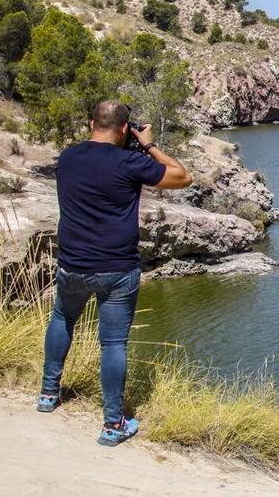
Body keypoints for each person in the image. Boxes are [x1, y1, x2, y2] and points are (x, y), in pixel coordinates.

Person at [37, 100, 192, 446]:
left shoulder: (68, 157)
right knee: (113, 344)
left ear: (92, 123)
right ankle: (112, 425)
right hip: (116, 269)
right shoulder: (132, 162)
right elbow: (183, 177)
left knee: (62, 319)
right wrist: (149, 144)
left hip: (72, 264)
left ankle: (48, 394)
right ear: (125, 129)